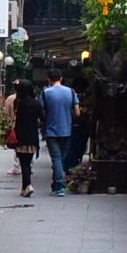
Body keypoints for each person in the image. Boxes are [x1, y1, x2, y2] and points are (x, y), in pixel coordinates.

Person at [42, 67, 76, 196]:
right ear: (61, 78)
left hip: (51, 131)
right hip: (66, 130)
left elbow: (42, 111)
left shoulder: (45, 93)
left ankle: (59, 186)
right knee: (61, 158)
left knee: (56, 159)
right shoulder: (71, 92)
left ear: (49, 79)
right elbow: (77, 111)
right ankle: (57, 184)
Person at [10, 78, 41, 197]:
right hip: (32, 136)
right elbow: (43, 118)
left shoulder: (18, 103)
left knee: (24, 164)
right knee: (27, 163)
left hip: (20, 136)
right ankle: (24, 187)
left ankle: (27, 185)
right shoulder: (36, 103)